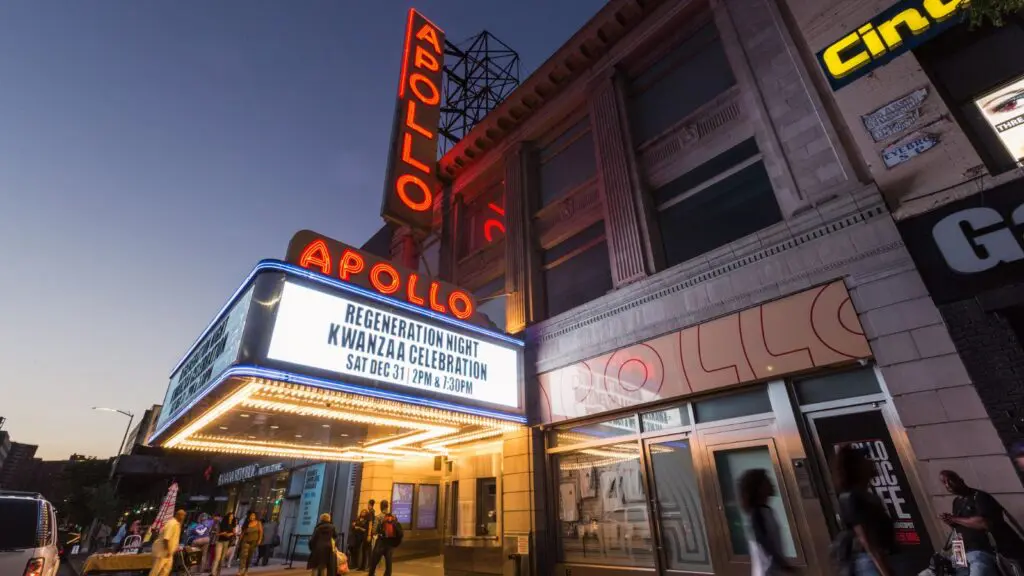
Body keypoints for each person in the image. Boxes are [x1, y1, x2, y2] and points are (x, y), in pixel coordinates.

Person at [940, 470, 1024, 575]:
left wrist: (954, 519)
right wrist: (952, 523)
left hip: (981, 552)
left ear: (960, 480)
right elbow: (959, 529)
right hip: (961, 554)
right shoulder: (956, 502)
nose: (947, 485)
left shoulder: (979, 496)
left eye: (950, 480)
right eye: (944, 482)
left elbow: (984, 523)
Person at [833, 445, 897, 576]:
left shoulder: (868, 496)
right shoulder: (851, 498)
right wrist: (885, 572)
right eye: (865, 458)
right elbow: (867, 541)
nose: (871, 461)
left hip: (884, 558)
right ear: (857, 467)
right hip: (871, 564)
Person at [739, 469, 793, 575]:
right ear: (758, 488)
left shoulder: (766, 511)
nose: (771, 484)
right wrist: (782, 564)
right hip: (767, 570)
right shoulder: (757, 514)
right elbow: (763, 540)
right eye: (767, 481)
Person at [368, 500, 402, 576]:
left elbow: (374, 530)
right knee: (389, 562)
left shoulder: (378, 517)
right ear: (387, 506)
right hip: (390, 542)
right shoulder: (393, 516)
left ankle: (371, 574)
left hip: (381, 541)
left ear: (381, 506)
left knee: (374, 560)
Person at [149, 510, 185, 576]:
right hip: (162, 551)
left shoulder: (177, 524)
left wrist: (175, 548)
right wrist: (168, 550)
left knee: (165, 571)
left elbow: (174, 538)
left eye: (184, 515)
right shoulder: (172, 524)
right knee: (156, 571)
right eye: (182, 515)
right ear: (177, 515)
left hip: (168, 553)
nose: (183, 517)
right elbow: (166, 539)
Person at [238, 511, 263, 575]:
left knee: (249, 556)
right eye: (251, 515)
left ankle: (246, 570)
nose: (252, 517)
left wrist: (259, 540)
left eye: (253, 516)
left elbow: (261, 532)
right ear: (249, 516)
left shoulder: (258, 523)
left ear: (255, 516)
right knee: (243, 556)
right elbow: (242, 533)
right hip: (245, 541)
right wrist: (239, 541)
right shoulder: (246, 523)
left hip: (254, 541)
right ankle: (240, 570)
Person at [212, 512, 237, 576]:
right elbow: (217, 533)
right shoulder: (221, 523)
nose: (231, 517)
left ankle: (218, 573)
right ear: (227, 517)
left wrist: (230, 534)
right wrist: (223, 534)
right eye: (230, 516)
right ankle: (213, 573)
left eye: (232, 516)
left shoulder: (233, 524)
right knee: (217, 558)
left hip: (227, 542)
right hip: (220, 541)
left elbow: (234, 533)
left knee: (222, 559)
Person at [360, 500, 377, 571]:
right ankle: (365, 566)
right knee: (366, 550)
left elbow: (370, 523)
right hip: (368, 533)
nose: (367, 505)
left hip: (367, 533)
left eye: (368, 504)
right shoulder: (373, 512)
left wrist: (369, 535)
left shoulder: (370, 513)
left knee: (366, 550)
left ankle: (367, 566)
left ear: (370, 504)